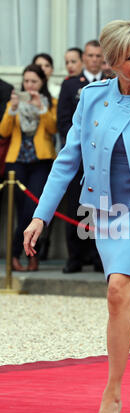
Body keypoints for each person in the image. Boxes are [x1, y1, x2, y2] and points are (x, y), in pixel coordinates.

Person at [23, 20, 130, 413]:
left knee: (116, 290)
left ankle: (112, 393)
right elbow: (67, 160)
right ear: (113, 62)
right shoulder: (93, 98)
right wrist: (40, 215)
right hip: (104, 209)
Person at [0, 64, 57, 272]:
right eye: (26, 81)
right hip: (17, 163)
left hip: (41, 162)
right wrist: (13, 108)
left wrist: (41, 108)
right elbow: (4, 131)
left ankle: (31, 255)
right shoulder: (13, 102)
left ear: (42, 83)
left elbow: (53, 127)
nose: (30, 85)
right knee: (20, 211)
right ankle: (17, 255)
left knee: (34, 211)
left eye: (34, 82)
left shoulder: (49, 102)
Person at [57, 40, 105, 274]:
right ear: (84, 58)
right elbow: (64, 122)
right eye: (90, 55)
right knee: (76, 207)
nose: (94, 60)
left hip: (103, 158)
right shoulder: (71, 85)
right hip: (79, 158)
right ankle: (75, 257)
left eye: (98, 56)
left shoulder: (109, 83)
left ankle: (98, 257)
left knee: (100, 209)